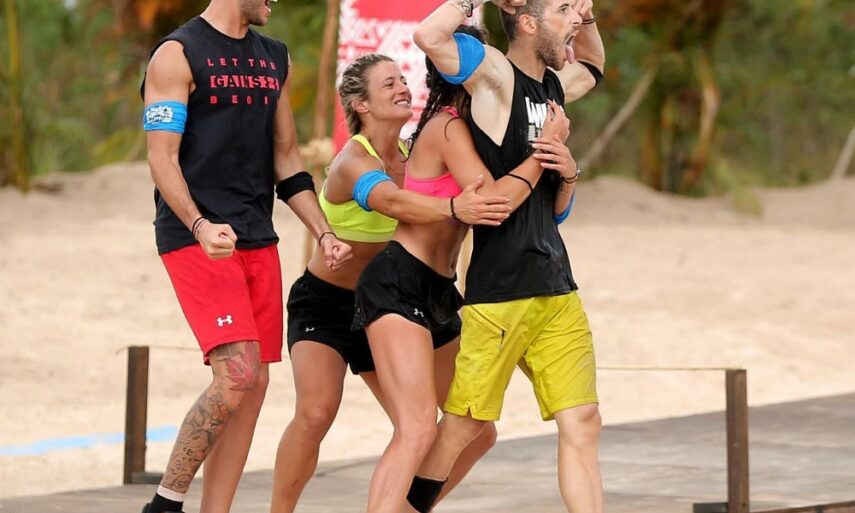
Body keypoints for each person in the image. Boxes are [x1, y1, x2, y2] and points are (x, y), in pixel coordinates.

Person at [269, 53, 515, 513]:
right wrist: (455, 208)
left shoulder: (417, 154)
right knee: (316, 413)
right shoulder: (351, 160)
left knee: (476, 431)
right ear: (361, 104)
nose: (403, 87)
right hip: (329, 304)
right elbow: (391, 203)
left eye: (403, 79)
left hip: (401, 302)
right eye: (389, 84)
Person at [139, 0, 352, 512]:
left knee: (253, 385)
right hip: (195, 235)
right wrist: (199, 225)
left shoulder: (274, 57)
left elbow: (287, 158)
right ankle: (164, 504)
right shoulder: (177, 54)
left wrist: (323, 232)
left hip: (256, 236)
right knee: (236, 374)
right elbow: (161, 157)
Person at [351, 24, 573, 513]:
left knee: (477, 431)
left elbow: (583, 73)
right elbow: (496, 203)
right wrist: (542, 151)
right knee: (415, 429)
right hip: (398, 282)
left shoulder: (479, 131)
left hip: (440, 289)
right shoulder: (448, 126)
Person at [406, 0, 606, 512]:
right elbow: (430, 36)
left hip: (556, 285)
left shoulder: (554, 87)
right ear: (528, 22)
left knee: (583, 421)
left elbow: (593, 64)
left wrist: (588, 13)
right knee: (462, 427)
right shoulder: (496, 76)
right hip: (500, 292)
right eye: (564, 10)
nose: (575, 21)